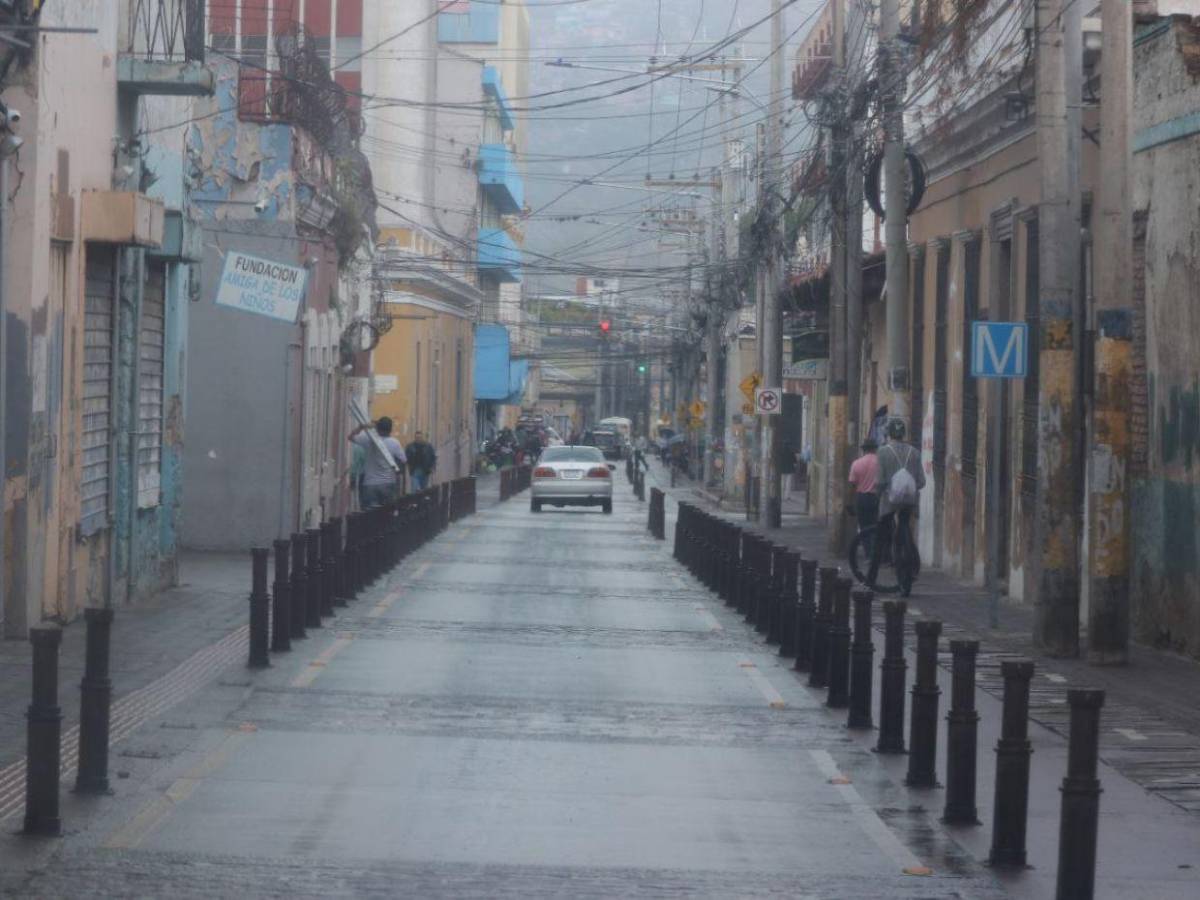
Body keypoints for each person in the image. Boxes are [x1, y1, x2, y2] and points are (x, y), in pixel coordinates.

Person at [869, 419, 925, 593]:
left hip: (889, 503)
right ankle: (910, 568)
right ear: (904, 434)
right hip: (909, 502)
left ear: (889, 434)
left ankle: (871, 578)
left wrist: (876, 497)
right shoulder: (914, 453)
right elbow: (921, 482)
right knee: (904, 527)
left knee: (880, 539)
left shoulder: (883, 452)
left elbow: (880, 481)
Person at [348, 417, 406, 508]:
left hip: (370, 483)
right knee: (387, 513)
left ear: (377, 428)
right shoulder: (395, 443)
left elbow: (350, 437)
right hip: (388, 482)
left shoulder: (368, 440)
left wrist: (361, 427)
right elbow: (403, 460)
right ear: (390, 429)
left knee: (369, 515)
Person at [848, 438, 881, 554]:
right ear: (875, 449)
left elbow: (852, 485)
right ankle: (877, 552)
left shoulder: (856, 463)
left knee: (864, 527)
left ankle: (868, 553)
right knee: (877, 526)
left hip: (862, 498)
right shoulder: (880, 462)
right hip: (877, 498)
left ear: (863, 450)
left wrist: (850, 502)